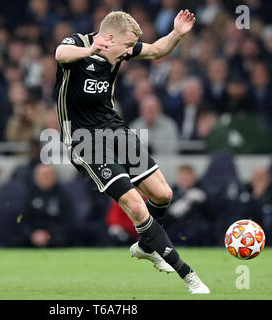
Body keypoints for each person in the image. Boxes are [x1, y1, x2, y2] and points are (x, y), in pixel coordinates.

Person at [54, 10, 209, 293]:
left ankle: (147, 245)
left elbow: (156, 51)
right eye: (126, 46)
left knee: (163, 194)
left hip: (114, 129)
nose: (129, 53)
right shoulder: (77, 43)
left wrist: (176, 34)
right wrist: (89, 50)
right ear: (108, 39)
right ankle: (187, 274)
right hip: (84, 140)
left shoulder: (120, 49)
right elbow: (60, 54)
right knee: (135, 205)